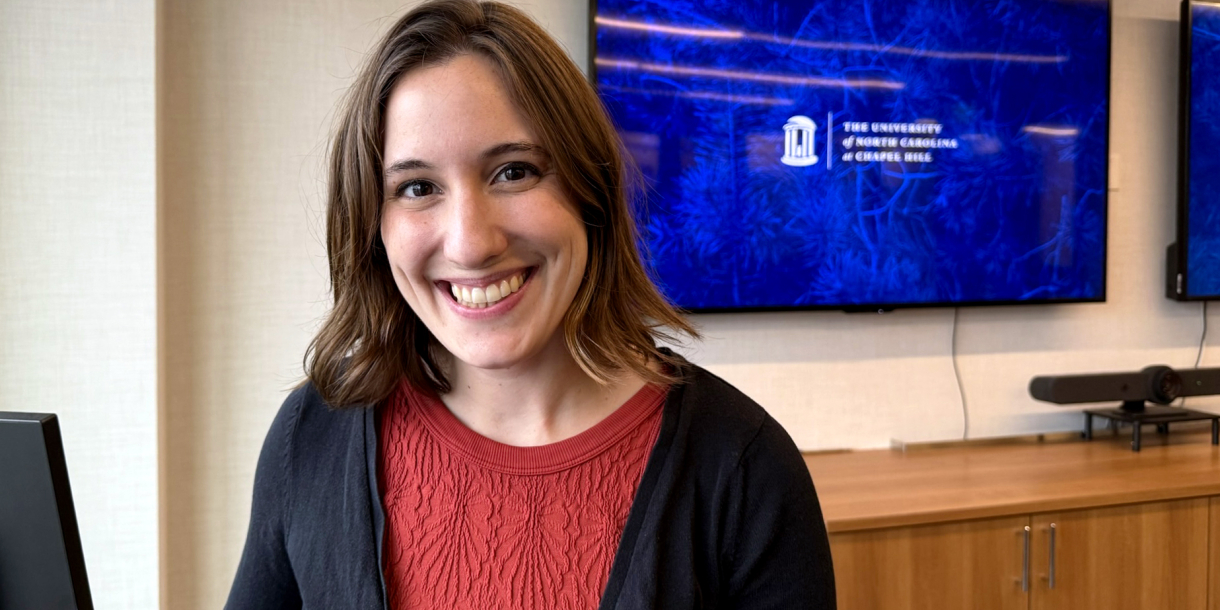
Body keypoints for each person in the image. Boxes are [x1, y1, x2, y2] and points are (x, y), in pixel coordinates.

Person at [225, 0, 836, 608]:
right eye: (417, 187)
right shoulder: (310, 436)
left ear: (587, 191)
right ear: (372, 225)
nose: (470, 243)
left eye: (513, 172)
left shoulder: (744, 467)